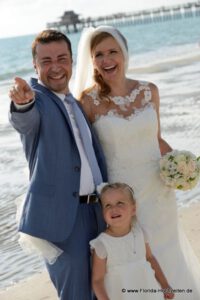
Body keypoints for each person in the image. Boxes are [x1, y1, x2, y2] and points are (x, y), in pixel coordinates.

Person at [73, 25, 200, 299]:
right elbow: (84, 153)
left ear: (124, 54)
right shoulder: (88, 102)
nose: (107, 60)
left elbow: (156, 139)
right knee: (136, 260)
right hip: (123, 196)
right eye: (99, 54)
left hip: (159, 191)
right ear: (91, 60)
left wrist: (182, 166)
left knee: (168, 249)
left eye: (112, 52)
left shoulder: (149, 91)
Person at [8, 29, 107, 300]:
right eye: (46, 61)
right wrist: (23, 103)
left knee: (104, 290)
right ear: (35, 65)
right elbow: (24, 121)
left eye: (62, 58)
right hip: (64, 219)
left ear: (72, 61)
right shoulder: (37, 100)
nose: (55, 67)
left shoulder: (74, 102)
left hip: (99, 211)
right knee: (76, 294)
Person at [90, 182, 174, 300]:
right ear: (102, 212)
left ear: (133, 209)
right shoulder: (102, 245)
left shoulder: (140, 234)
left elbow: (150, 258)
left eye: (120, 203)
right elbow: (97, 280)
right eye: (108, 205)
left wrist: (165, 285)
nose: (114, 208)